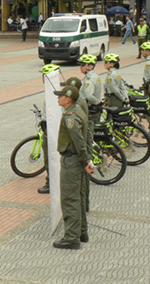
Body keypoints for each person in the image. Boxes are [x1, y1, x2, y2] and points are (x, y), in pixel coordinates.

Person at [51, 84, 92, 250]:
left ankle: (71, 237)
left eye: (60, 96)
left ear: (68, 99)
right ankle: (81, 231)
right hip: (78, 160)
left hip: (72, 161)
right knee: (79, 197)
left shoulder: (70, 116)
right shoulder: (78, 109)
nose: (58, 97)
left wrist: (85, 161)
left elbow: (79, 141)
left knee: (70, 199)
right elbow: (87, 135)